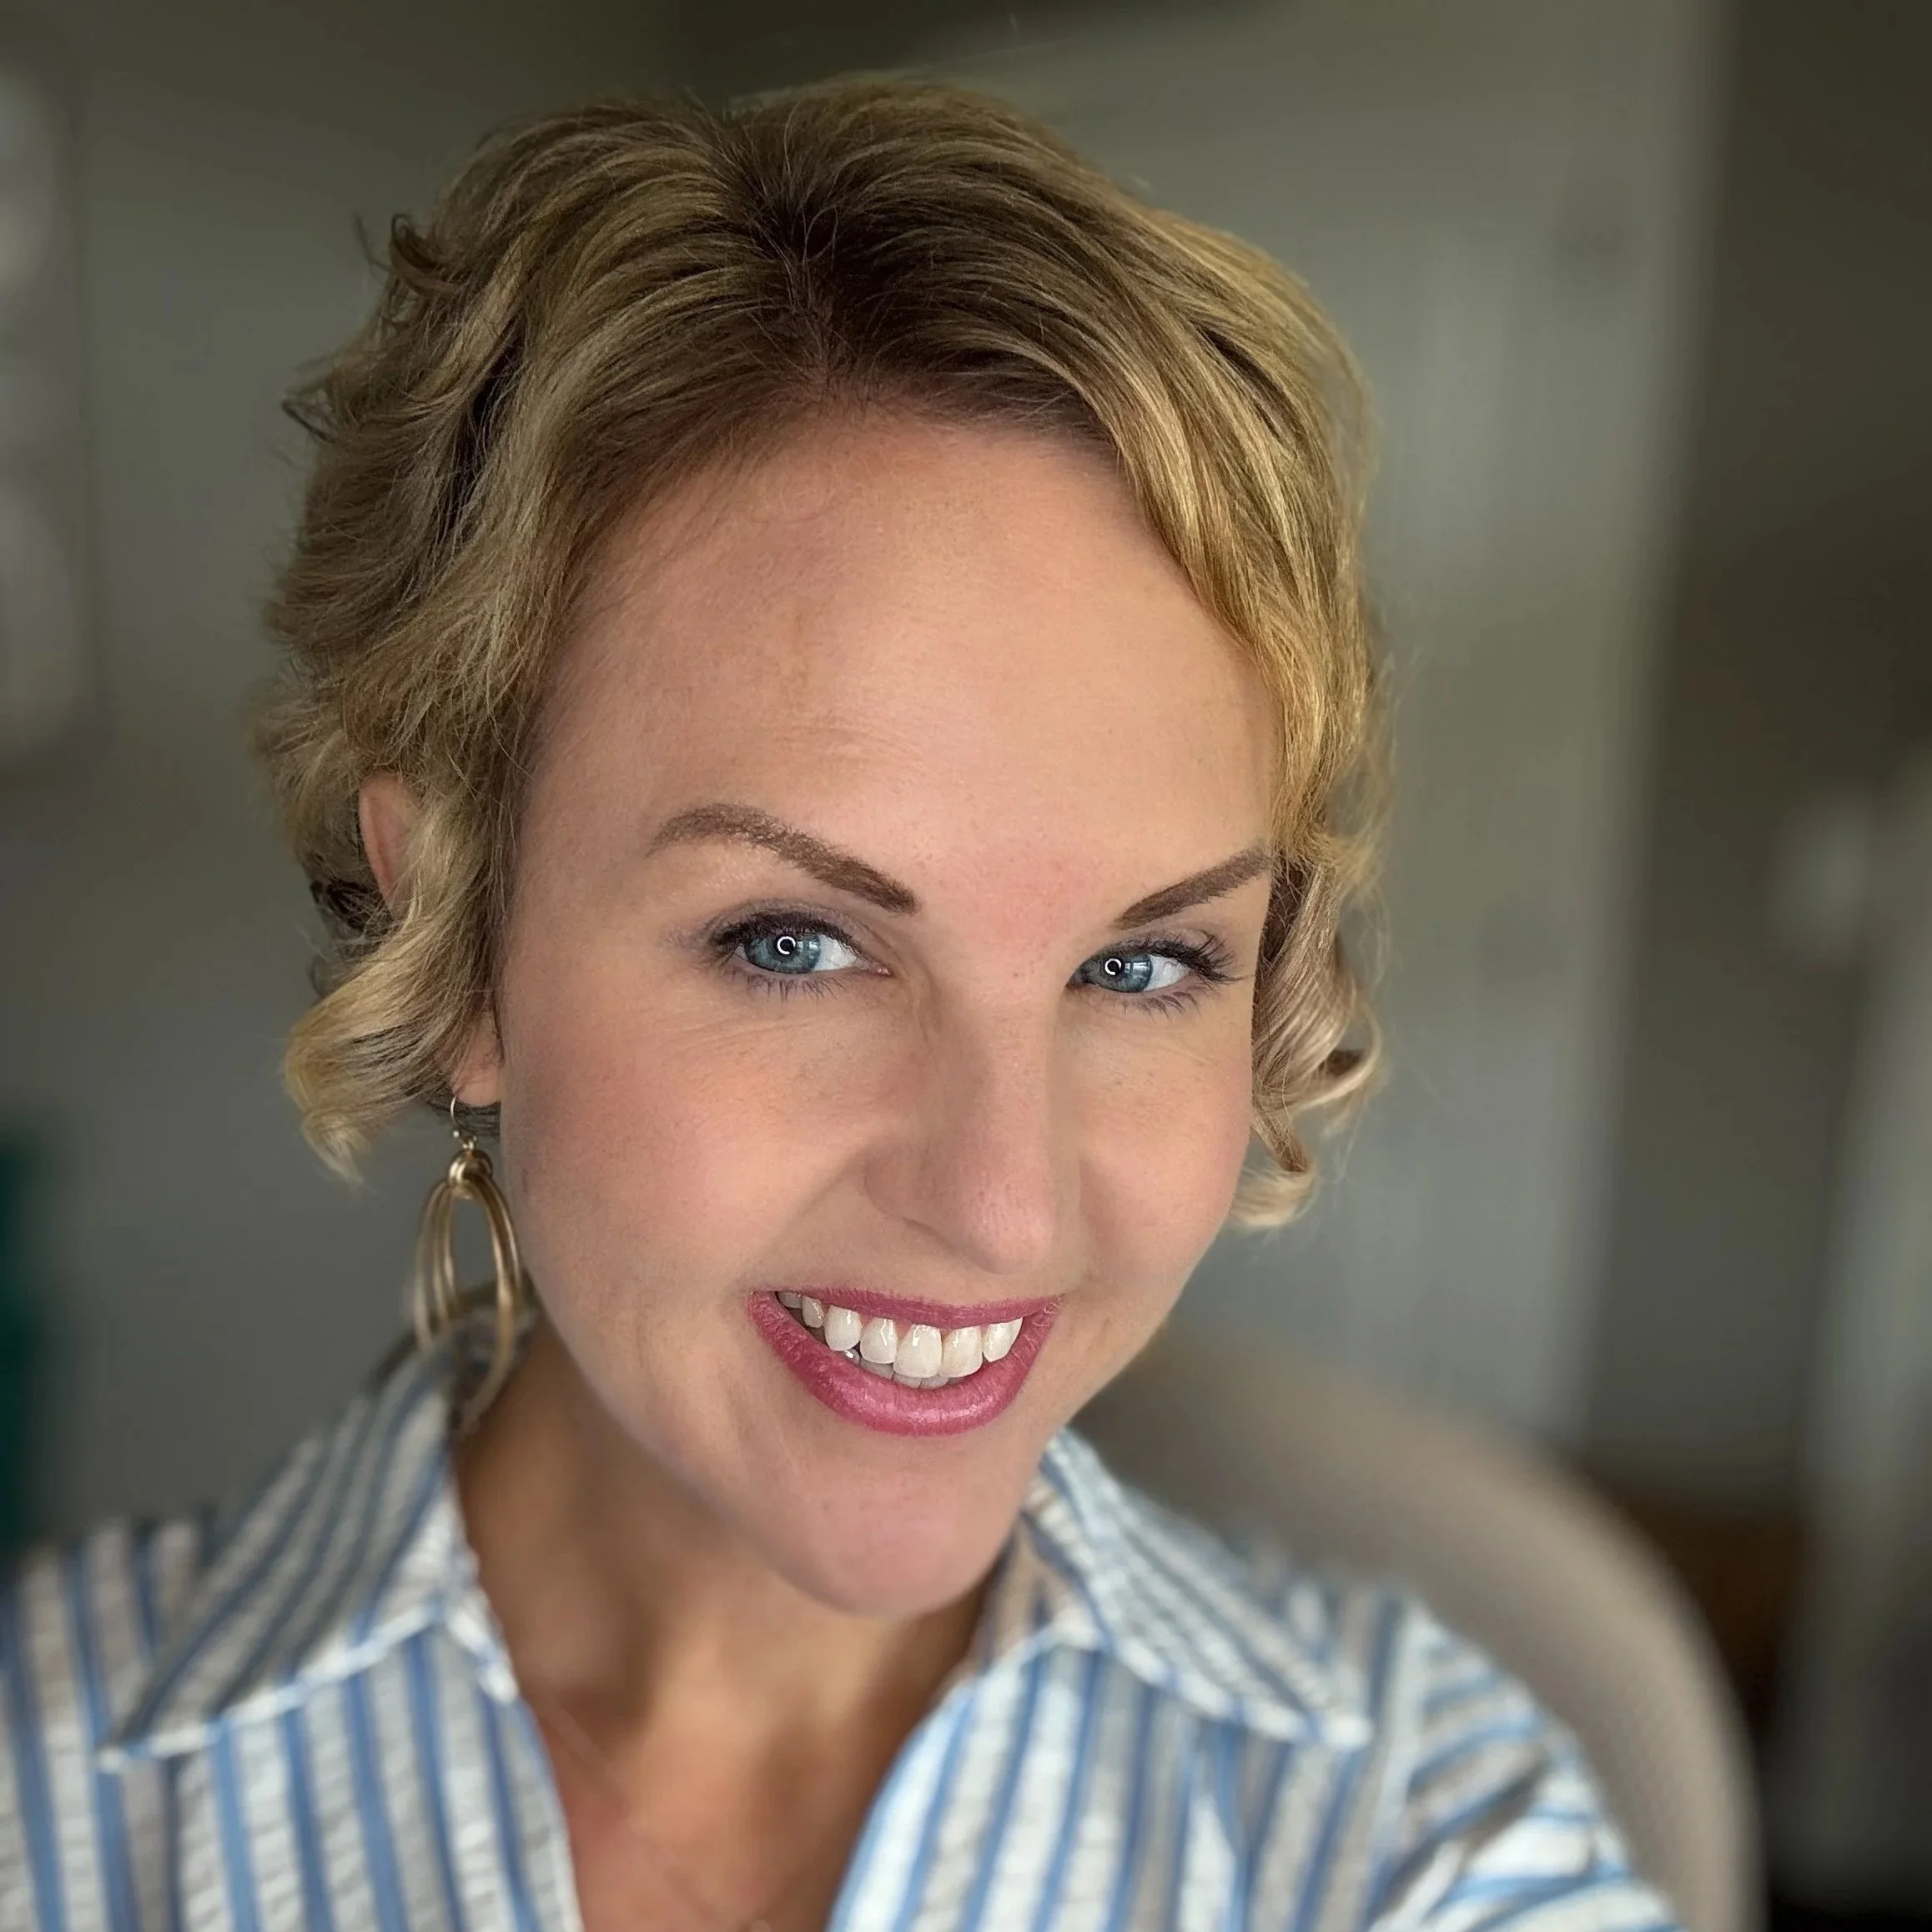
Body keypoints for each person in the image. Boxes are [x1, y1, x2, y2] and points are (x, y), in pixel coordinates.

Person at [0, 80, 1677, 1932]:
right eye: (796, 943)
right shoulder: (50, 1801)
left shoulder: (1425, 1840)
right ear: (457, 937)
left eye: (1145, 964)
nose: (1005, 1206)